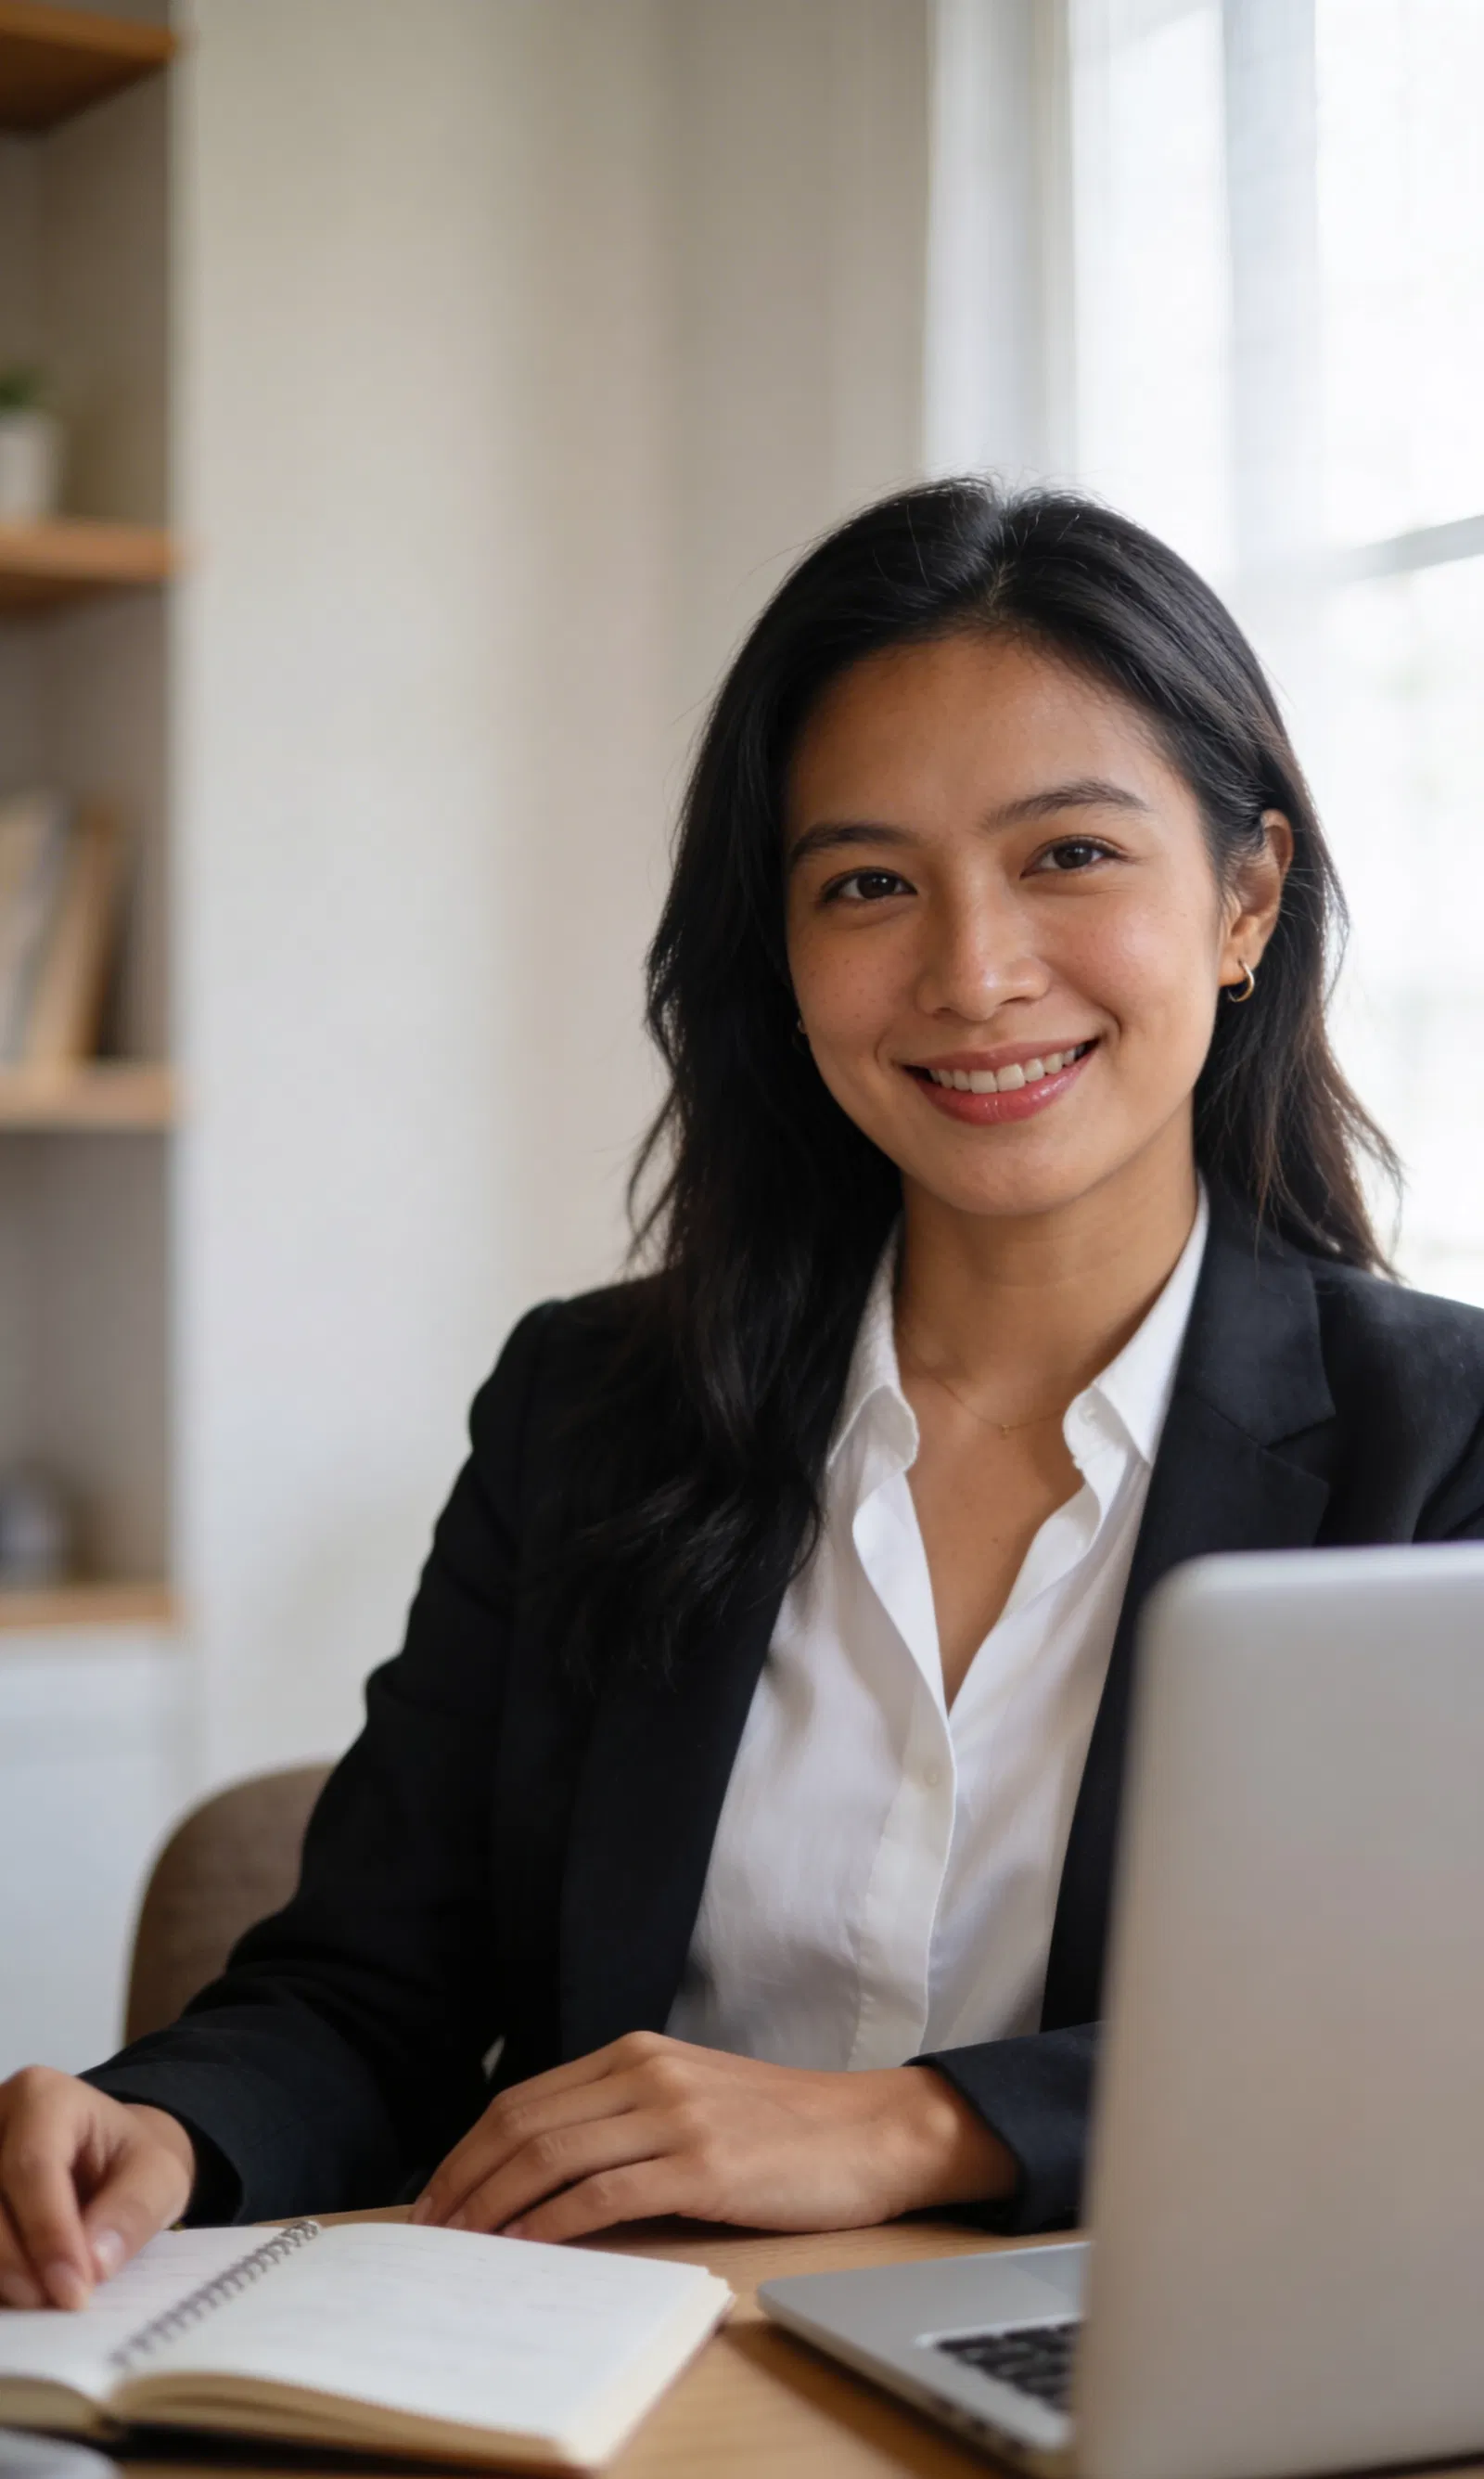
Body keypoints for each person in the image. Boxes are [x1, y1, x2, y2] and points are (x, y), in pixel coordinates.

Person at [5, 482, 1484, 2316]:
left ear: (1243, 898)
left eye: (1066, 856)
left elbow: (1431, 2041)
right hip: (629, 2433)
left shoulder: (1443, 1445)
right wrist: (169, 2131)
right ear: (777, 957)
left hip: (1165, 2415)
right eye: (865, 883)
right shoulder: (593, 1407)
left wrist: (915, 2125)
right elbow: (363, 1994)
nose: (969, 972)